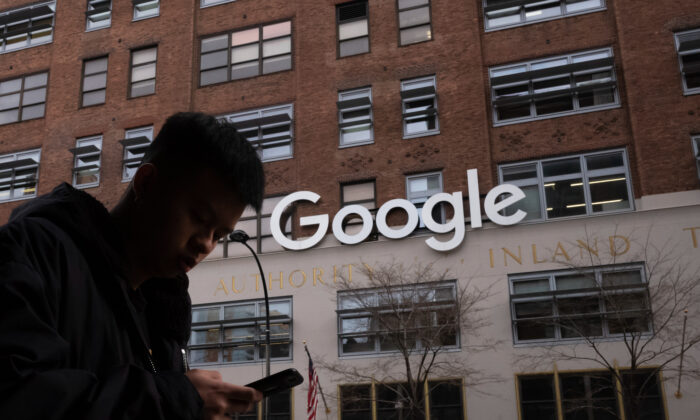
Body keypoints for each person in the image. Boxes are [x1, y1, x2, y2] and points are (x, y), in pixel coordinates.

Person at [0, 112, 265, 419]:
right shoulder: (32, 253)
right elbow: (18, 397)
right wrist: (170, 401)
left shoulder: (163, 317)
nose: (206, 244)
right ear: (147, 182)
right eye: (199, 219)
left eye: (219, 235)